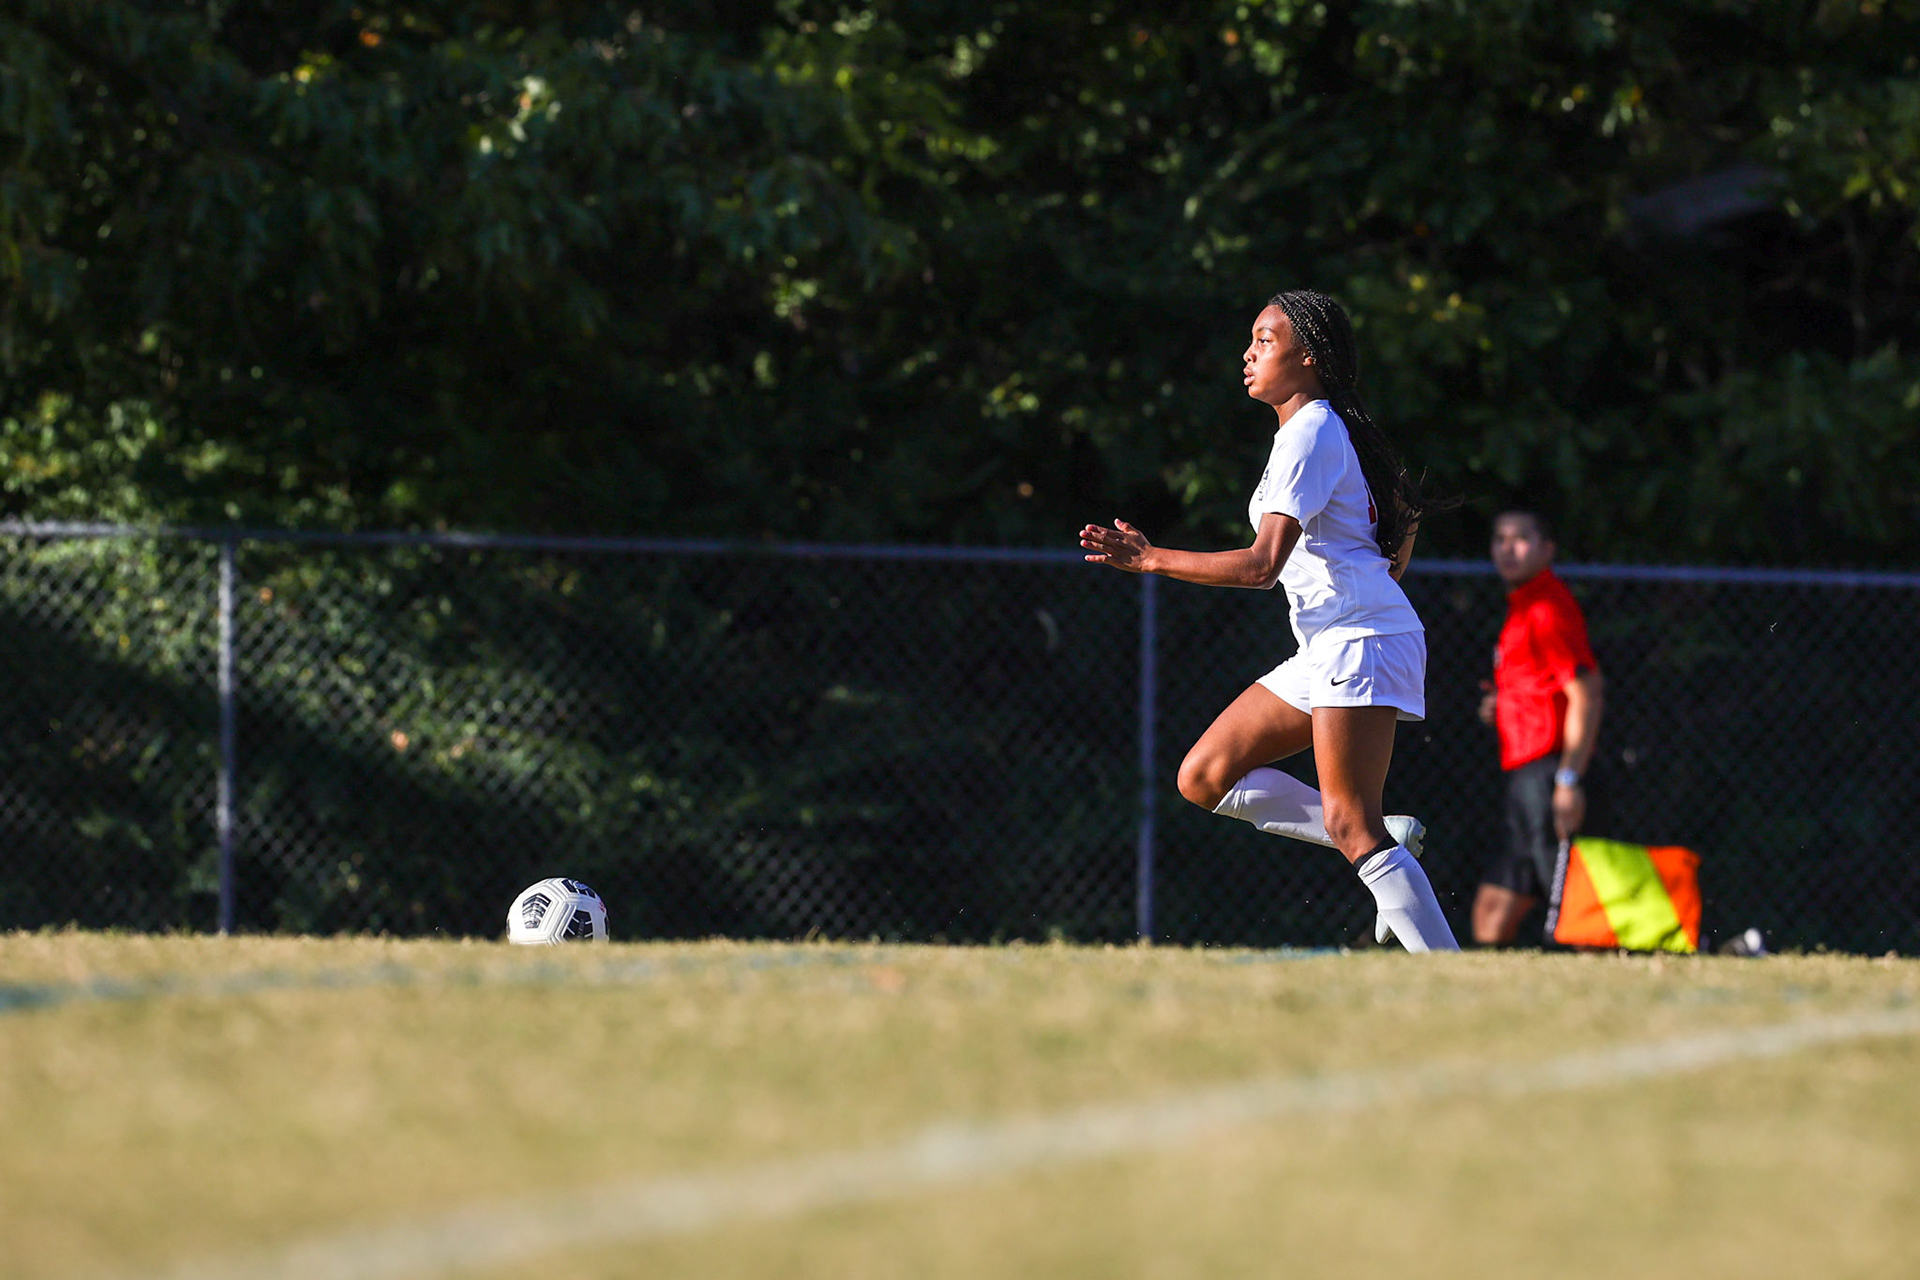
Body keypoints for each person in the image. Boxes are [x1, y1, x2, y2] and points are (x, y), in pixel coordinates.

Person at [1080, 290, 1458, 952]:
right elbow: (1403, 519)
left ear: (1308, 356)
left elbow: (1262, 566)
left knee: (1351, 823)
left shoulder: (1312, 429)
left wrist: (1151, 559)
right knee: (1206, 775)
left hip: (1357, 640)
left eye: (1265, 340)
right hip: (1339, 641)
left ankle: (1451, 980)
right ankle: (1386, 837)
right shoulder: (1320, 430)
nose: (1248, 354)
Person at [1472, 510, 1605, 946]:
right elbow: (1538, 686)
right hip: (1522, 774)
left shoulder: (1547, 608)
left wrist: (1568, 780)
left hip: (1547, 772)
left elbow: (1587, 692)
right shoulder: (1522, 607)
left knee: (1575, 905)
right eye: (1500, 538)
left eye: (1521, 538)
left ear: (1547, 549)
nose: (1507, 548)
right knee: (1490, 917)